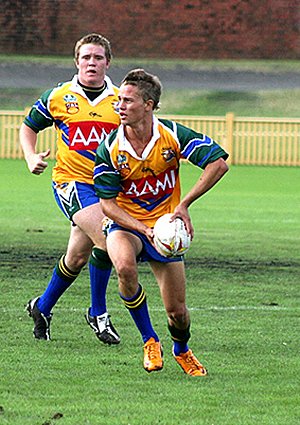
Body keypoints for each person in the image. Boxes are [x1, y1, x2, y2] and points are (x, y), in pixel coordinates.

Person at [93, 69, 229, 375]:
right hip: (127, 224)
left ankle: (181, 350)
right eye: (118, 100)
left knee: (177, 313)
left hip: (165, 227)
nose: (120, 106)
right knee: (125, 267)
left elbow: (218, 164)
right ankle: (149, 339)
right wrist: (143, 229)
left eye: (128, 101)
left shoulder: (172, 135)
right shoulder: (111, 147)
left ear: (149, 105)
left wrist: (184, 204)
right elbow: (107, 204)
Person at [19, 33, 121, 344]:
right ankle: (98, 313)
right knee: (107, 241)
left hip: (106, 188)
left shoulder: (120, 100)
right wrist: (31, 156)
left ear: (108, 62)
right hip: (71, 183)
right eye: (86, 57)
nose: (92, 62)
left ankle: (42, 307)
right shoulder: (58, 96)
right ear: (77, 61)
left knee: (77, 258)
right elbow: (28, 127)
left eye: (98, 57)